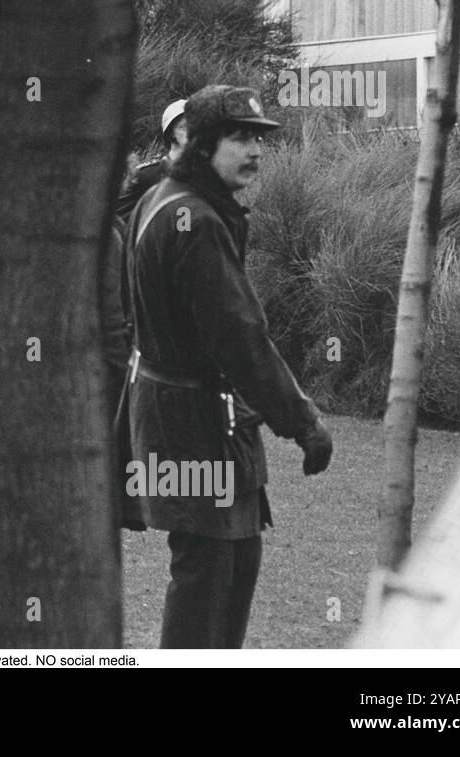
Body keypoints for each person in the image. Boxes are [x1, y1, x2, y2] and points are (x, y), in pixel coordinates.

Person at [126, 84, 333, 649]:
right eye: (240, 137)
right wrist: (303, 421)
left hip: (188, 418)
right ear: (203, 144)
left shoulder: (169, 197)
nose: (256, 151)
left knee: (232, 563)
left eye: (259, 138)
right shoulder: (192, 219)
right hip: (192, 424)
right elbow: (242, 340)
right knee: (207, 584)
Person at [115, 98, 187, 223]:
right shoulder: (146, 176)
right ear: (171, 133)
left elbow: (185, 226)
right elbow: (117, 219)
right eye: (184, 127)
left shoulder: (201, 176)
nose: (192, 132)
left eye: (196, 126)